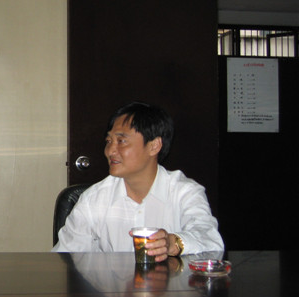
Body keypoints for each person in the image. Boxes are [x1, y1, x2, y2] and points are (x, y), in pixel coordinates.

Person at [53, 102, 224, 260]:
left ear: (154, 146)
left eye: (121, 141)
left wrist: (174, 243)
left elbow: (210, 239)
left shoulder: (184, 192)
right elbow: (64, 259)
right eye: (109, 141)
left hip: (171, 284)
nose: (110, 151)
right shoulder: (94, 199)